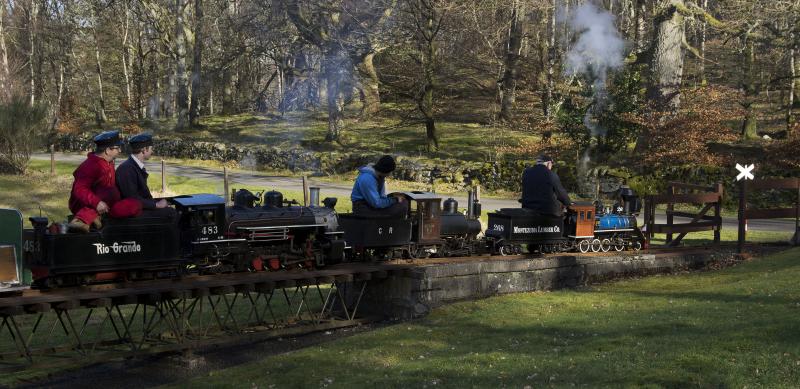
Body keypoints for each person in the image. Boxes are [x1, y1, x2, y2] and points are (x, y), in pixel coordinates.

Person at [67, 130, 142, 232]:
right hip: (85, 205)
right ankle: (80, 220)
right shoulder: (90, 166)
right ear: (107, 150)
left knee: (134, 205)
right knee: (108, 191)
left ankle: (99, 217)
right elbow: (79, 189)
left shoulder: (109, 162)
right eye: (117, 148)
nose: (120, 150)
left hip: (106, 204)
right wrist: (97, 203)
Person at [116, 133, 172, 213]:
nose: (152, 151)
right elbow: (132, 198)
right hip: (133, 213)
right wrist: (156, 205)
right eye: (150, 148)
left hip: (139, 208)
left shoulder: (133, 166)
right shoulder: (127, 169)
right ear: (144, 149)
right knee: (171, 214)